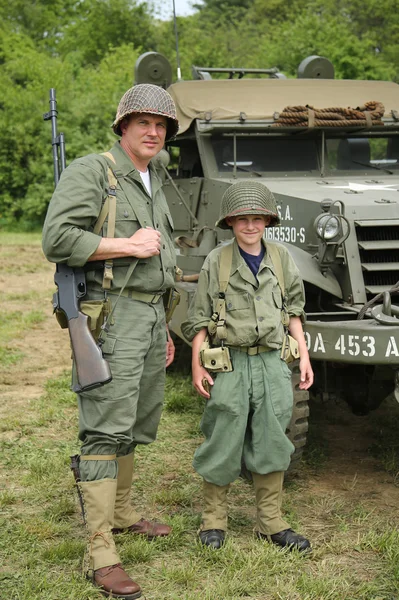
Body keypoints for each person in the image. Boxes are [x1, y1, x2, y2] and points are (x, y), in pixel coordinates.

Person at [42, 84, 179, 600]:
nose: (153, 131)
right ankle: (100, 551)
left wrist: (163, 325)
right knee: (104, 428)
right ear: (123, 126)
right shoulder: (92, 171)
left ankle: (121, 514)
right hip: (112, 319)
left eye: (161, 125)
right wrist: (126, 244)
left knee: (137, 421)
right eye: (142, 122)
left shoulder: (152, 179)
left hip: (147, 317)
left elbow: (159, 265)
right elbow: (56, 239)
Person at [181, 180, 313, 553]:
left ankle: (270, 521)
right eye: (242, 219)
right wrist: (196, 363)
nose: (250, 226)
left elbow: (294, 311)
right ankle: (214, 519)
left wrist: (303, 354)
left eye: (257, 218)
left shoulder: (282, 258)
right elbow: (200, 318)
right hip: (230, 364)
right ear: (230, 223)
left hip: (272, 362)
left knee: (273, 437)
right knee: (223, 436)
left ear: (268, 221)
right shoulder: (217, 261)